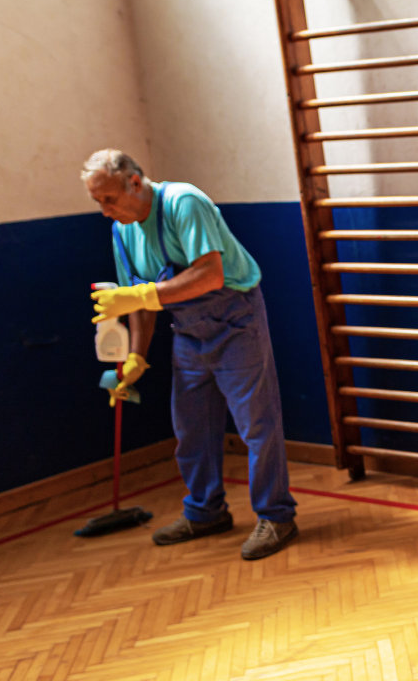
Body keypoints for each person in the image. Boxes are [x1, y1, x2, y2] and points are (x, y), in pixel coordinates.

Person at [82, 149, 298, 561]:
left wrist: (141, 294)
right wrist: (136, 360)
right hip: (188, 331)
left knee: (257, 426)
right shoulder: (122, 230)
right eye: (98, 203)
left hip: (235, 320)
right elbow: (138, 305)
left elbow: (209, 274)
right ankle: (205, 512)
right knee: (192, 429)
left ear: (134, 182)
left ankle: (277, 516)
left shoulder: (183, 202)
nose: (106, 211)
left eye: (109, 199)